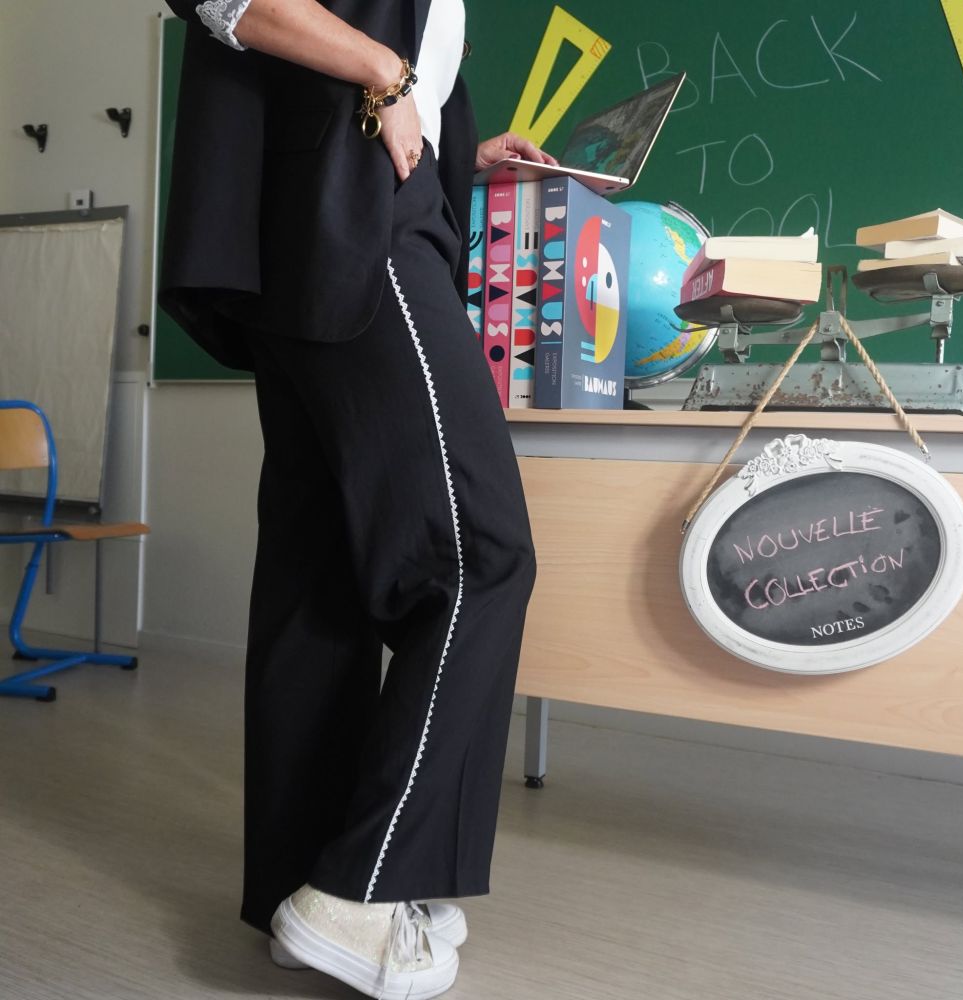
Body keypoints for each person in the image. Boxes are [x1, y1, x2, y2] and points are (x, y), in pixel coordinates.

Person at [159, 0, 556, 997]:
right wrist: (386, 74)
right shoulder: (379, 82)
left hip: (325, 210)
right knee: (480, 559)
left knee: (323, 577)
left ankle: (305, 885)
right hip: (360, 215)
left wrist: (457, 142)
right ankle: (359, 890)